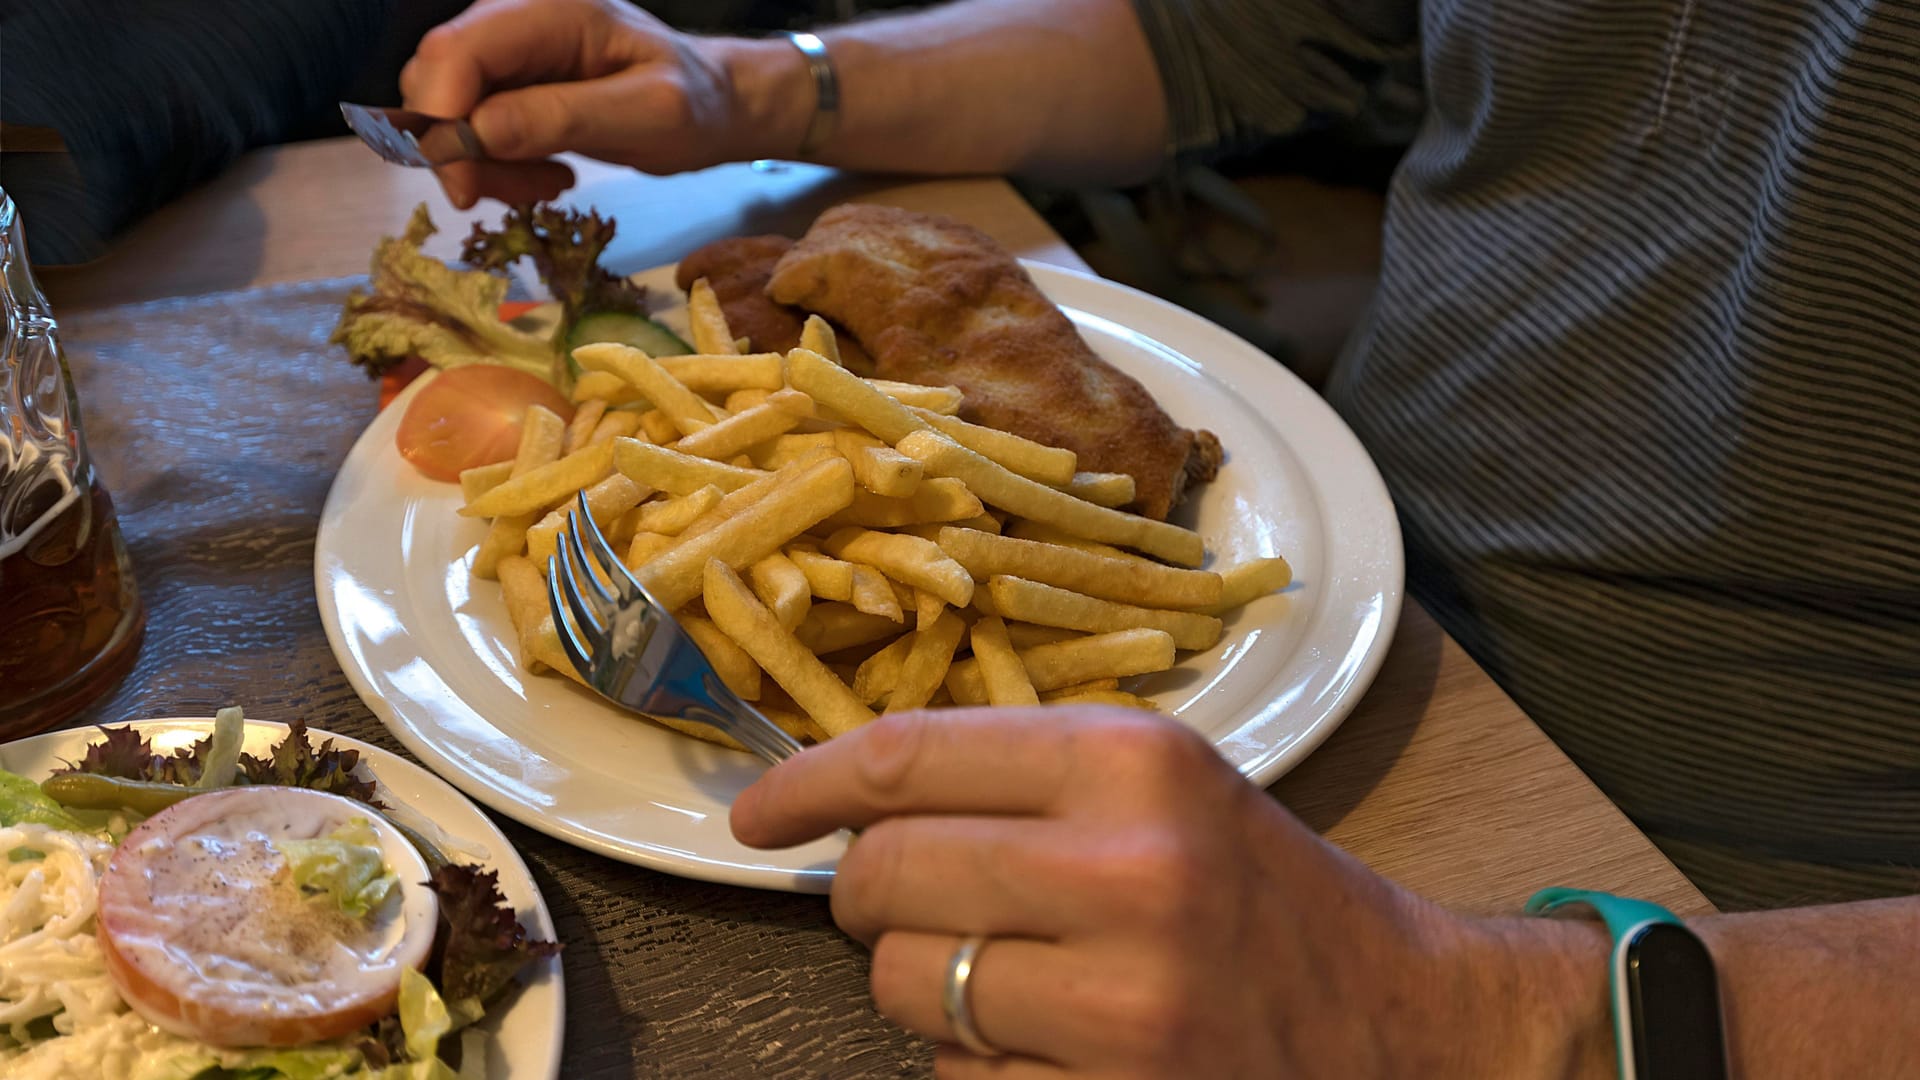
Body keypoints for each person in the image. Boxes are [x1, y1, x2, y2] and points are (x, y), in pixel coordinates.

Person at [400, 0, 1919, 1073]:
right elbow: (1258, 25)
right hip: (1341, 611)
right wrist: (751, 82)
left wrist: (1519, 1015)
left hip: (1709, 905)